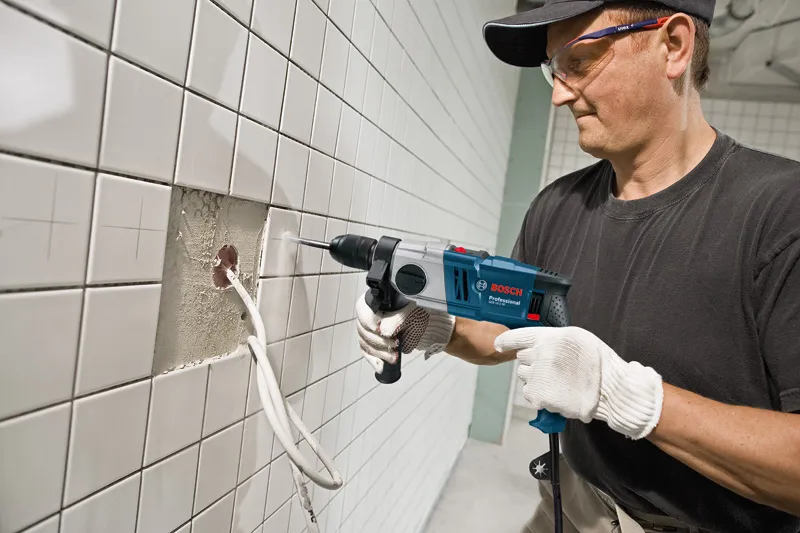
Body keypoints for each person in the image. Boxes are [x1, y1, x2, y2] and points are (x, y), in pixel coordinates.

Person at [355, 0, 800, 532]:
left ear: (674, 46)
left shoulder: (780, 214)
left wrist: (633, 400)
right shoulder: (558, 206)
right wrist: (432, 325)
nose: (560, 93)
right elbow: (504, 327)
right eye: (553, 68)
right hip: (573, 507)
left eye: (580, 61)